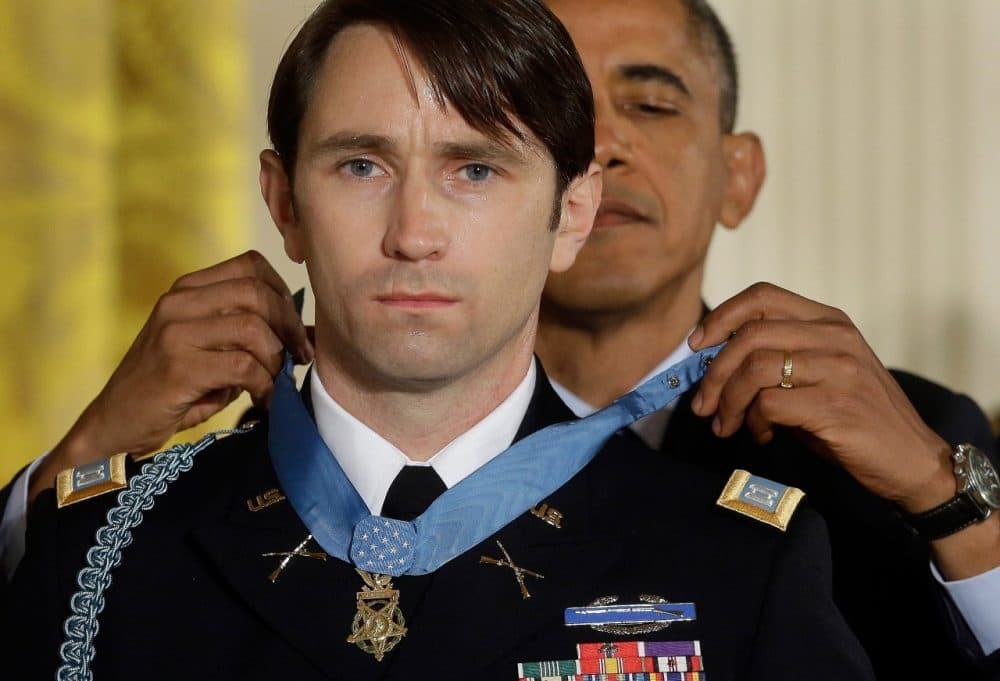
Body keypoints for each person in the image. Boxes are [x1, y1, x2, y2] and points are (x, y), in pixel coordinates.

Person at [2, 0, 996, 676]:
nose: (414, 230)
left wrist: (949, 498)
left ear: (570, 208)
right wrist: (81, 467)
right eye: (359, 164)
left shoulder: (769, 541)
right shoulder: (102, 533)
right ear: (282, 201)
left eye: (476, 167)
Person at [536, 1, 1000, 679]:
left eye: (653, 105)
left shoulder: (911, 440)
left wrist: (943, 495)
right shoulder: (397, 444)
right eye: (557, 106)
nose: (600, 144)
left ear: (739, 176)